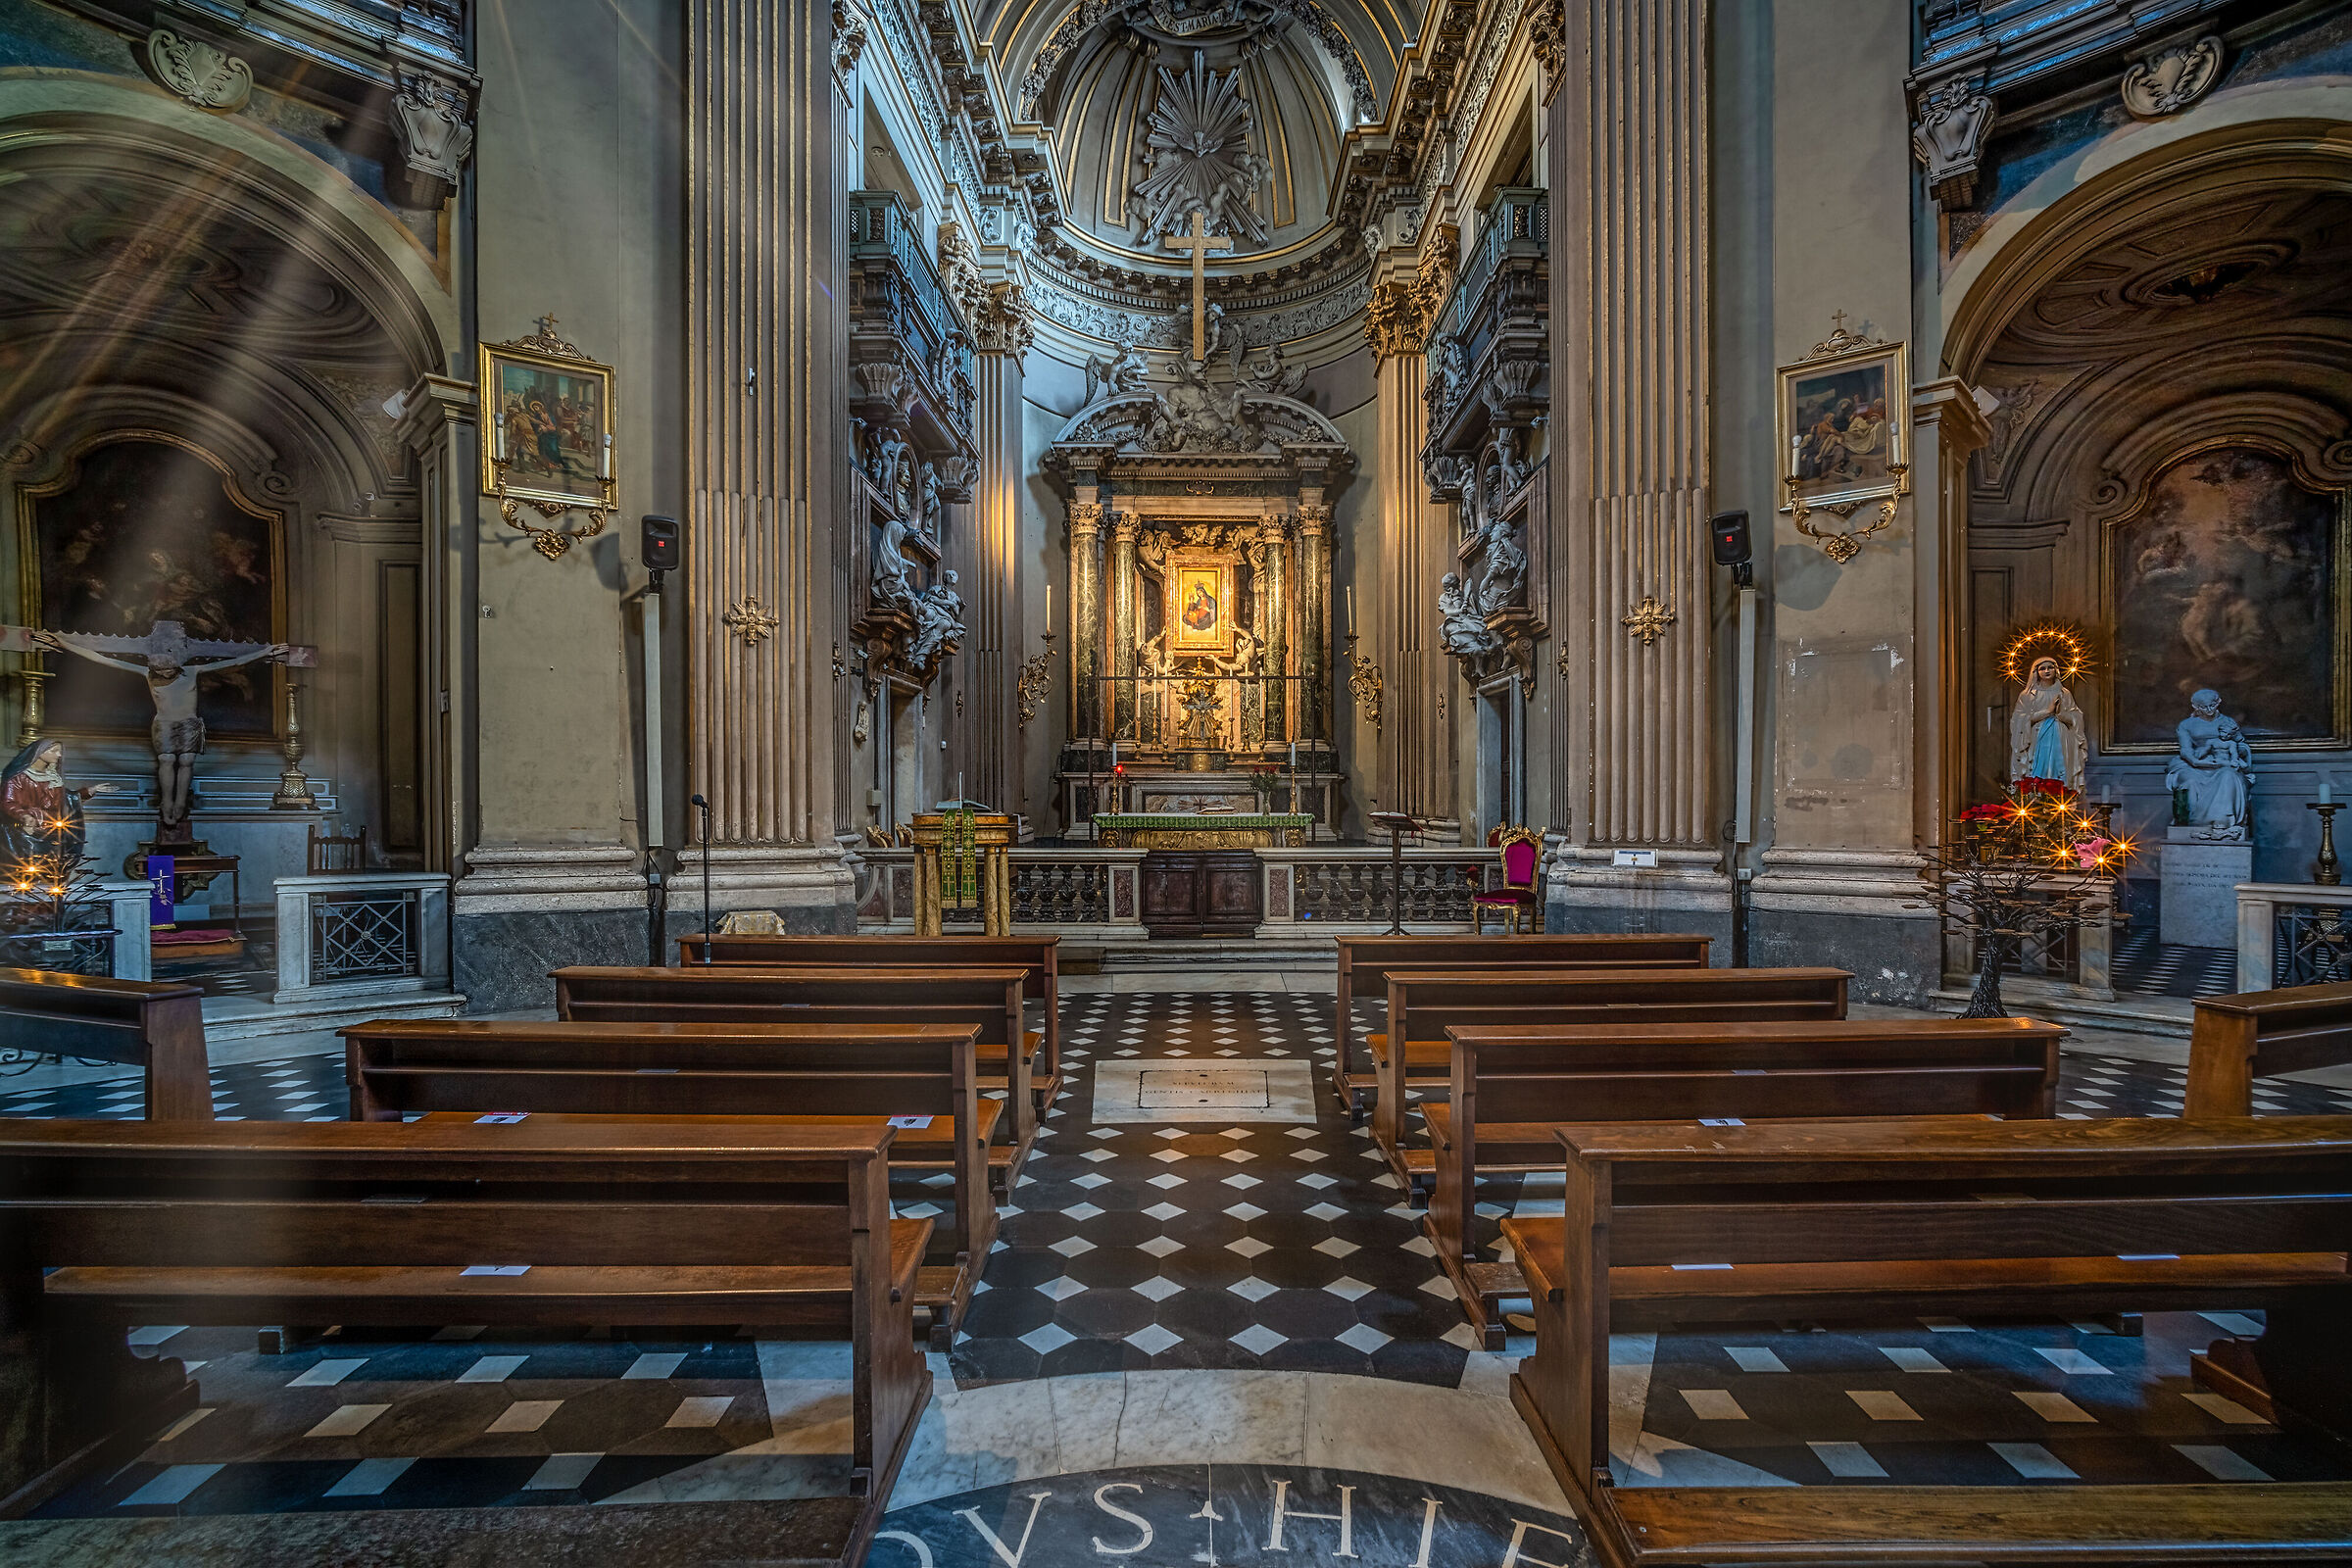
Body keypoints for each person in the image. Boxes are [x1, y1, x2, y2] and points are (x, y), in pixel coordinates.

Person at [35, 624, 290, 839]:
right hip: (164, 723)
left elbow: (234, 662)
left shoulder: (192, 672)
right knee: (167, 760)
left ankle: (180, 803)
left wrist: (265, 651)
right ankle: (167, 802)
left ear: (177, 666)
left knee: (187, 761)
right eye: (161, 671)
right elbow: (105, 660)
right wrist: (64, 643)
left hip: (189, 723)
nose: (165, 674)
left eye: (168, 670)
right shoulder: (148, 674)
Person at [0, 739, 116, 863]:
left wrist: (91, 790)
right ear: (39, 752)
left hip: (54, 831)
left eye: (60, 752)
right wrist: (25, 816)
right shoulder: (19, 777)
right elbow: (8, 802)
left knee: (54, 870)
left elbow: (67, 799)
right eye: (54, 751)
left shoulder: (53, 777)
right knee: (30, 868)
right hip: (28, 832)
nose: (59, 755)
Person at [2166, 688, 2253, 838]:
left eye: (2212, 705)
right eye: (2204, 707)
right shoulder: (2186, 725)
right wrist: (2197, 762)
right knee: (2189, 781)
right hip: (2194, 763)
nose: (2209, 710)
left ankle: (2222, 822)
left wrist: (2234, 755)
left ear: (2218, 702)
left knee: (2228, 776)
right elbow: (2186, 750)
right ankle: (2194, 824)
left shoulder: (2227, 722)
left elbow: (2241, 745)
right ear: (2196, 707)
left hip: (2223, 763)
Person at [2007, 656, 2085, 791]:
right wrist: (2047, 712)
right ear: (2035, 672)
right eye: (2042, 668)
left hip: (2060, 738)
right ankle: (2038, 793)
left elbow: (2076, 717)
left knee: (2059, 768)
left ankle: (2060, 792)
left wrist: (2061, 714)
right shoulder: (2028, 695)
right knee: (2038, 769)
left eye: (2050, 667)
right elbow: (2018, 720)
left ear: (2056, 670)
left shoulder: (2064, 693)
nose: (2047, 671)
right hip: (2037, 739)